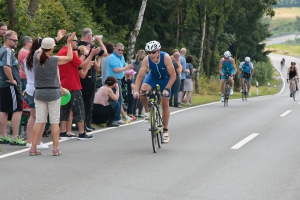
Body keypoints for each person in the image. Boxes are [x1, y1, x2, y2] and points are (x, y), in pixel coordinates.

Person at [29, 33, 76, 156]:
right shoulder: (54, 60)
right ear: (52, 48)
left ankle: (33, 148)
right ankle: (55, 149)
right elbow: (70, 57)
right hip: (53, 92)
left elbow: (41, 49)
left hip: (39, 92)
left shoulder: (36, 57)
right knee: (54, 122)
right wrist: (69, 43)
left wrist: (55, 38)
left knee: (39, 120)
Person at [58, 33, 99, 140]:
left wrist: (85, 54)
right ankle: (82, 132)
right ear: (70, 41)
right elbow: (81, 65)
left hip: (64, 84)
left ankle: (63, 131)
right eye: (75, 41)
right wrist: (90, 54)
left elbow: (77, 64)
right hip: (73, 85)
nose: (77, 43)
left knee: (65, 109)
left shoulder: (61, 51)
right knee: (79, 108)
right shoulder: (69, 53)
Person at [133, 41, 176, 143]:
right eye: (149, 52)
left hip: (166, 79)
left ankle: (165, 131)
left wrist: (166, 89)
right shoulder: (146, 59)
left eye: (153, 52)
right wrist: (136, 91)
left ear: (158, 50)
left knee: (165, 104)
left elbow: (173, 75)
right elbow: (139, 76)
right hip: (153, 77)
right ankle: (147, 112)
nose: (151, 55)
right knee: (142, 91)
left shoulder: (165, 58)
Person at [78, 28, 108, 132]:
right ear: (89, 36)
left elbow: (96, 66)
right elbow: (105, 53)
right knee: (88, 101)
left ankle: (79, 123)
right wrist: (99, 41)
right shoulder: (90, 46)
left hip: (78, 76)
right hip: (89, 77)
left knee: (79, 101)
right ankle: (87, 123)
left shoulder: (78, 45)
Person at [0, 30, 26, 145]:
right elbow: (6, 66)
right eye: (14, 40)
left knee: (3, 110)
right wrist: (12, 80)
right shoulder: (8, 51)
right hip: (9, 85)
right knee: (18, 109)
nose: (16, 42)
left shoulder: (0, 50)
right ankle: (15, 136)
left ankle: (3, 136)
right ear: (7, 40)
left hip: (2, 84)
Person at [107, 43, 134, 124]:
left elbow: (123, 66)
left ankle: (118, 117)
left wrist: (128, 71)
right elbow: (116, 69)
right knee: (116, 99)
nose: (120, 52)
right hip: (112, 80)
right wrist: (126, 68)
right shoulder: (112, 57)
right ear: (115, 49)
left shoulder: (121, 57)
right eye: (119, 50)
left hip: (119, 79)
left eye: (122, 50)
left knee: (119, 99)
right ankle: (116, 118)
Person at [131, 49, 146, 117]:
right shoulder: (144, 63)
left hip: (134, 80)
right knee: (142, 96)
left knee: (135, 97)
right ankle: (140, 112)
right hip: (142, 80)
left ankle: (133, 112)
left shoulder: (133, 62)